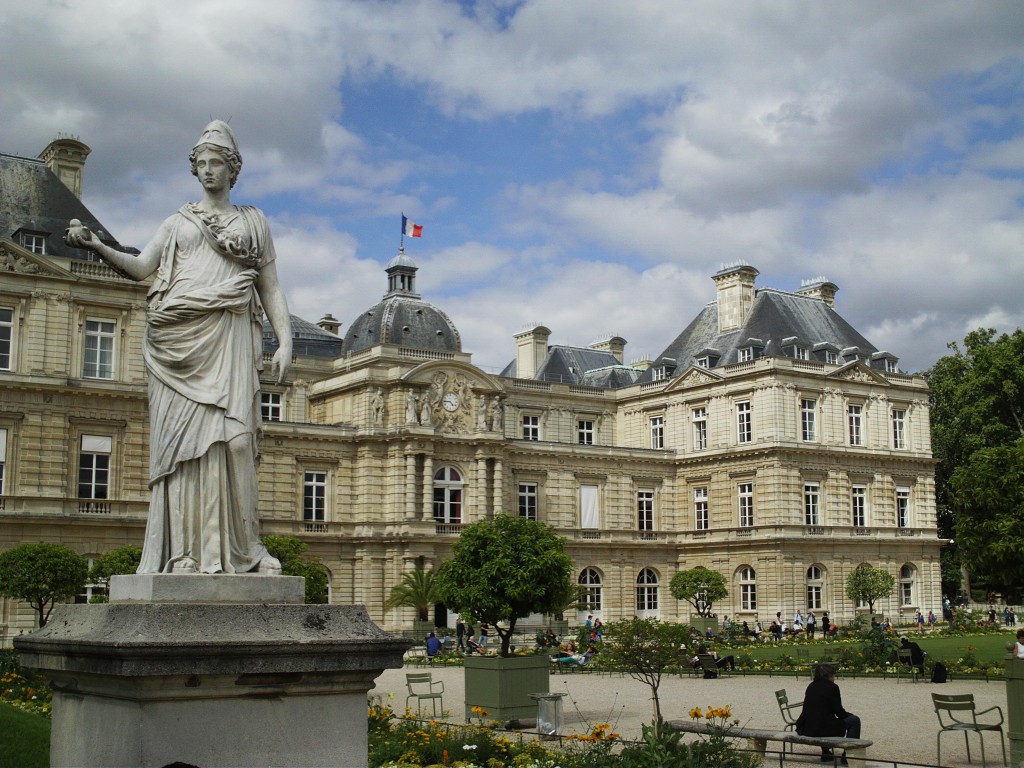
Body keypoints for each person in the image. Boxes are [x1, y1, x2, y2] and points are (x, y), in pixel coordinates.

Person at [65, 121, 291, 575]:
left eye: (217, 163)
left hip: (230, 334)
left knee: (239, 444)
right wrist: (98, 245)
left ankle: (248, 549)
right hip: (177, 341)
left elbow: (270, 285)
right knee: (186, 450)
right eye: (202, 164)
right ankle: (184, 553)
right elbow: (142, 266)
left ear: (234, 169)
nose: (208, 171)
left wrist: (284, 339)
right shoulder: (177, 222)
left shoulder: (254, 221)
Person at [795, 663, 861, 764]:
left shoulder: (811, 686)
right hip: (822, 729)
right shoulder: (832, 687)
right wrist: (850, 715)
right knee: (855, 721)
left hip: (807, 727)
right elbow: (839, 712)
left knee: (822, 718)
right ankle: (847, 755)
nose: (834, 677)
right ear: (829, 675)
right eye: (834, 674)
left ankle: (826, 753)